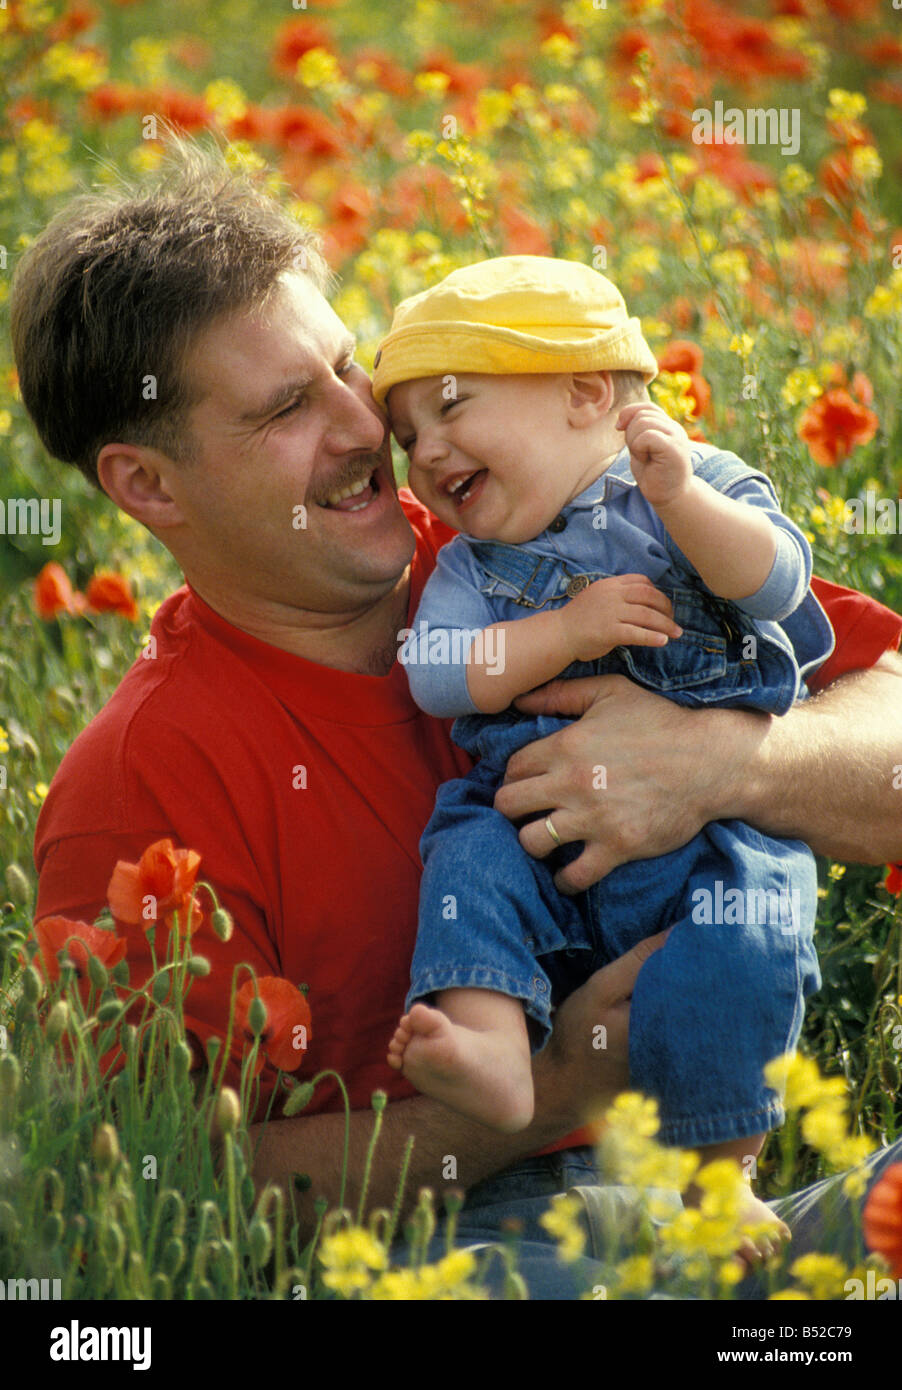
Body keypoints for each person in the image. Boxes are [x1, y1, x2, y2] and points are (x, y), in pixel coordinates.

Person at [10, 143, 902, 1297]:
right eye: (288, 406)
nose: (366, 427)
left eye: (346, 367)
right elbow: (161, 1187)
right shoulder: (139, 785)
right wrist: (561, 1081)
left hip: (722, 1219)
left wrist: (720, 763)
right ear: (148, 486)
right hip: (465, 1256)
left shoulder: (533, 537)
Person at [376, 257, 825, 1246]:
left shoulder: (688, 481)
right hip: (527, 820)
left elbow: (775, 581)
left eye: (450, 407)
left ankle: (720, 1176)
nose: (426, 450)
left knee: (745, 931)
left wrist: (685, 507)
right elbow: (437, 671)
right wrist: (561, 632)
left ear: (585, 393)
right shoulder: (467, 565)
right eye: (408, 436)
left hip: (705, 832)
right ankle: (493, 1050)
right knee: (466, 863)